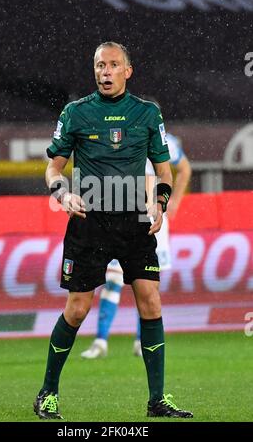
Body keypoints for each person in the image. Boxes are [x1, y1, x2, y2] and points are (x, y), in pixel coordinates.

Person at [33, 41, 193, 420]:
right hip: (89, 221)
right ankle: (48, 393)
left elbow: (166, 172)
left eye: (113, 65)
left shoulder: (147, 113)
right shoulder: (75, 113)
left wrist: (160, 202)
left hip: (135, 221)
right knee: (77, 309)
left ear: (128, 71)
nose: (105, 72)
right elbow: (53, 169)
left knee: (151, 301)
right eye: (99, 65)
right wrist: (62, 192)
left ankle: (157, 401)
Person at [81, 136, 192, 359]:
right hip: (122, 218)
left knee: (147, 286)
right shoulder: (119, 136)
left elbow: (184, 168)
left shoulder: (165, 141)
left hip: (152, 219)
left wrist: (175, 202)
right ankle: (101, 341)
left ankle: (142, 342)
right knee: (112, 280)